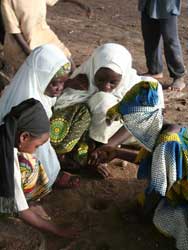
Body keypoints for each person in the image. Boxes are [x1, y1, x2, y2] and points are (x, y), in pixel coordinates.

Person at [89, 80, 188, 250]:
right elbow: (156, 162)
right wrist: (117, 153)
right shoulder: (173, 129)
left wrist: (143, 215)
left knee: (165, 218)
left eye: (136, 123)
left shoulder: (167, 142)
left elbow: (157, 189)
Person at [0, 43, 83, 187]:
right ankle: (44, 179)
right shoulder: (28, 99)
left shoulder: (35, 88)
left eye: (63, 83)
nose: (60, 89)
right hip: (19, 149)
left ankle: (49, 174)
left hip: (30, 142)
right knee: (40, 144)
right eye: (55, 83)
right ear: (41, 76)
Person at [0, 98, 78, 237]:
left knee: (31, 163)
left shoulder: (4, 132)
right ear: (24, 137)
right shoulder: (7, 161)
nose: (36, 150)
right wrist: (57, 230)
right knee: (28, 165)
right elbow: (22, 211)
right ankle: (5, 216)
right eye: (37, 145)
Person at [1, 0, 75, 74]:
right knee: (44, 72)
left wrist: (81, 5)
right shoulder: (7, 2)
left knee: (69, 63)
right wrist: (30, 53)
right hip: (24, 43)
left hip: (45, 35)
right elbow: (14, 31)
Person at [138, 0, 186, 90]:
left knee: (170, 39)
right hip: (148, 3)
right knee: (150, 36)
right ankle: (154, 70)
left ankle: (178, 75)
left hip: (167, 4)